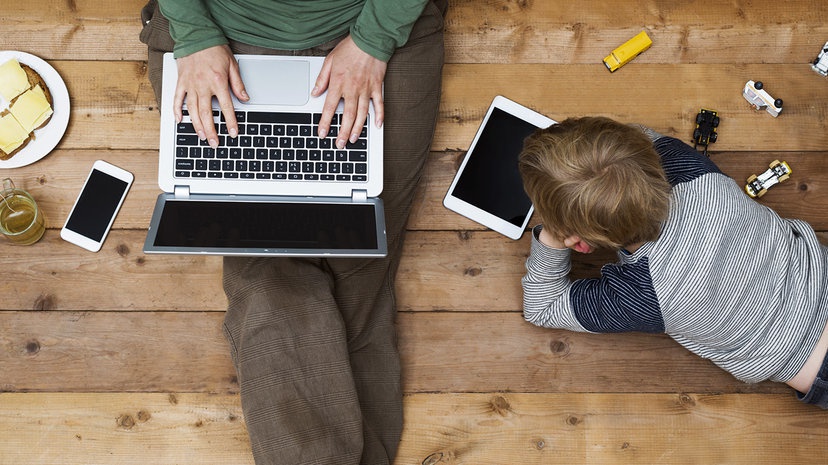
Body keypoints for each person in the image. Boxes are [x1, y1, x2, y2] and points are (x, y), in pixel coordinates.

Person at [139, 1, 446, 463]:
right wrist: (195, 35)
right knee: (265, 272)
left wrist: (372, 39)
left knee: (360, 266)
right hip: (220, 28)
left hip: (378, 24)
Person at [517, 116, 828, 407]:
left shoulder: (643, 294)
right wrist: (581, 153)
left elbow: (542, 307)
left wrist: (554, 238)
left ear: (584, 236)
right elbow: (637, 139)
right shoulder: (691, 169)